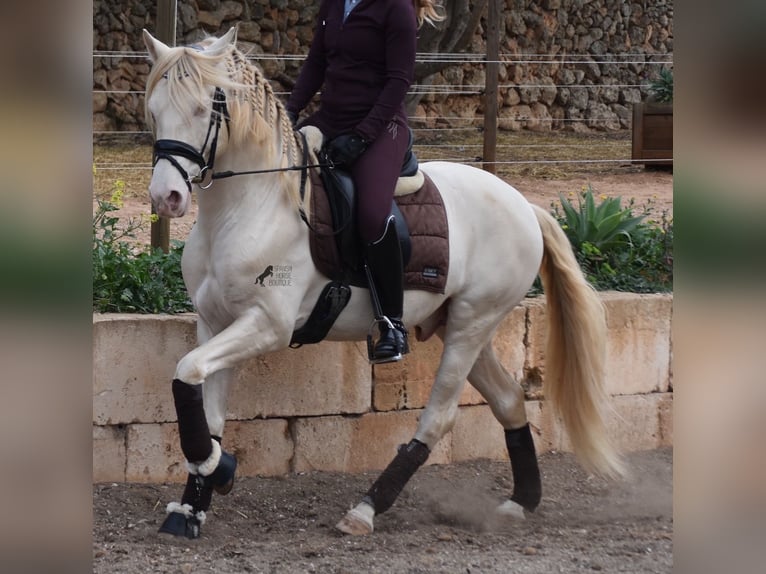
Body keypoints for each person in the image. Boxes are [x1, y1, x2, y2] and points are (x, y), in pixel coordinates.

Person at [286, 0, 444, 364]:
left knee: (373, 214)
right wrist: (290, 111)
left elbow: (399, 80)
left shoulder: (396, 8)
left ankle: (392, 323)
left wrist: (362, 136)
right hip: (331, 117)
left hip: (381, 127)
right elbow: (316, 64)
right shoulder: (334, 3)